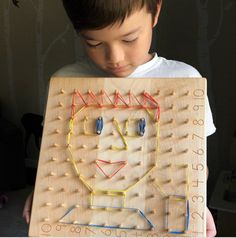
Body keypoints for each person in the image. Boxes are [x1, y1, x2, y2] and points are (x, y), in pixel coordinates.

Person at [23, 0, 217, 236]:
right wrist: (44, 193)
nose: (115, 58)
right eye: (93, 42)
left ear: (155, 11)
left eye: (129, 39)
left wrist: (196, 205)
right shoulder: (65, 83)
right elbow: (55, 158)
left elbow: (192, 163)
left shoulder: (186, 80)